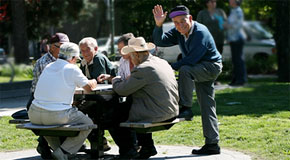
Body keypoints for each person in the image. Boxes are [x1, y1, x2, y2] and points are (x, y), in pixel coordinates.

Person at [152, 5, 222, 155]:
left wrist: (168, 67)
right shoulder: (178, 31)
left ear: (190, 18)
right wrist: (159, 25)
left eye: (183, 21)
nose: (180, 25)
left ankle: (186, 108)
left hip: (211, 67)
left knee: (185, 70)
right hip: (198, 67)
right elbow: (160, 41)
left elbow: (191, 59)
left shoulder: (200, 32)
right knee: (207, 105)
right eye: (176, 22)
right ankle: (212, 144)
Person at [109, 37, 179, 159]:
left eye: (131, 55)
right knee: (131, 105)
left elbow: (122, 90)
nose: (131, 58)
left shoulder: (143, 68)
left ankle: (128, 151)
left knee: (111, 116)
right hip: (171, 110)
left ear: (136, 54)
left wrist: (115, 80)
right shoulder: (161, 62)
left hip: (157, 113)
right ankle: (147, 147)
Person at [28, 42, 97, 160]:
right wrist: (94, 81)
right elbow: (89, 89)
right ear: (73, 58)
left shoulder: (48, 66)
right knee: (88, 124)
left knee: (49, 128)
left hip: (34, 113)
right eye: (76, 59)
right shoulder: (72, 68)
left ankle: (58, 152)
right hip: (56, 115)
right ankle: (63, 152)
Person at [27, 32, 69, 159]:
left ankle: (58, 146)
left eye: (66, 46)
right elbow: (51, 88)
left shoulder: (65, 60)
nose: (64, 50)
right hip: (39, 100)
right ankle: (47, 144)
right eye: (60, 46)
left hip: (55, 98)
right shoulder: (45, 62)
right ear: (51, 47)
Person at [77, 37, 117, 151]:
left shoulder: (98, 58)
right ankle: (99, 142)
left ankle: (99, 142)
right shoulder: (84, 62)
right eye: (82, 50)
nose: (84, 53)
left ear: (95, 49)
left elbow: (98, 83)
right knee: (78, 111)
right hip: (95, 97)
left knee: (80, 111)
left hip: (107, 97)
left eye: (87, 49)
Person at [224, 0, 247, 86]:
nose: (229, 1)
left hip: (237, 38)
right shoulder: (233, 11)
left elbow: (239, 25)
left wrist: (229, 26)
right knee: (235, 59)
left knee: (238, 59)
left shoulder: (238, 11)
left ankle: (241, 80)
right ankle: (236, 79)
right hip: (233, 39)